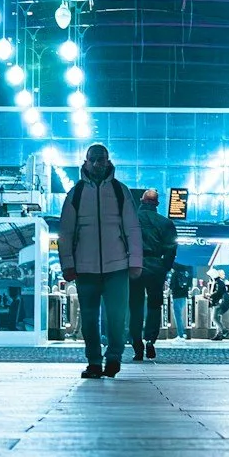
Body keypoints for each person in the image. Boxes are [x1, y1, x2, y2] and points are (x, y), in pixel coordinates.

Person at [56, 141, 141, 378]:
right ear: (85, 162)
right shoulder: (76, 193)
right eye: (92, 159)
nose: (96, 163)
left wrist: (135, 261)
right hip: (85, 268)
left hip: (117, 267)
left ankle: (113, 356)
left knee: (117, 317)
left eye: (100, 159)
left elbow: (132, 228)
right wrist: (68, 264)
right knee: (89, 319)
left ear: (108, 161)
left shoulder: (120, 191)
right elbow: (66, 232)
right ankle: (94, 362)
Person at [132, 187, 178, 361]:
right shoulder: (166, 223)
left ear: (142, 201)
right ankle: (150, 340)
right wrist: (164, 267)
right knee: (154, 305)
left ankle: (137, 344)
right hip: (156, 266)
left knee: (134, 306)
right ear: (157, 204)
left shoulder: (131, 220)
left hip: (134, 265)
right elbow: (171, 249)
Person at [168, 261, 193, 344]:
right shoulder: (186, 273)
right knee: (180, 316)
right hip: (183, 296)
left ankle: (181, 335)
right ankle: (182, 333)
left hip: (176, 297)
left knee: (177, 316)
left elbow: (171, 285)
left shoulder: (175, 274)